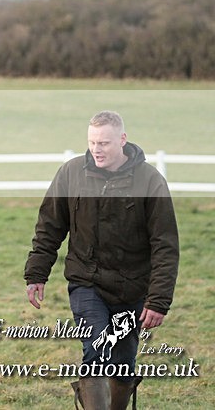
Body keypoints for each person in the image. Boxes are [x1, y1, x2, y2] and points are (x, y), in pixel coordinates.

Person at [24, 111, 179, 410]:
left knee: (122, 362)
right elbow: (49, 226)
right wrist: (36, 274)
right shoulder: (71, 173)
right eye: (92, 142)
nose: (97, 149)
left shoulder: (150, 181)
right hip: (86, 282)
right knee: (94, 348)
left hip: (133, 288)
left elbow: (165, 246)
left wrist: (158, 300)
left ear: (122, 140)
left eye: (104, 143)